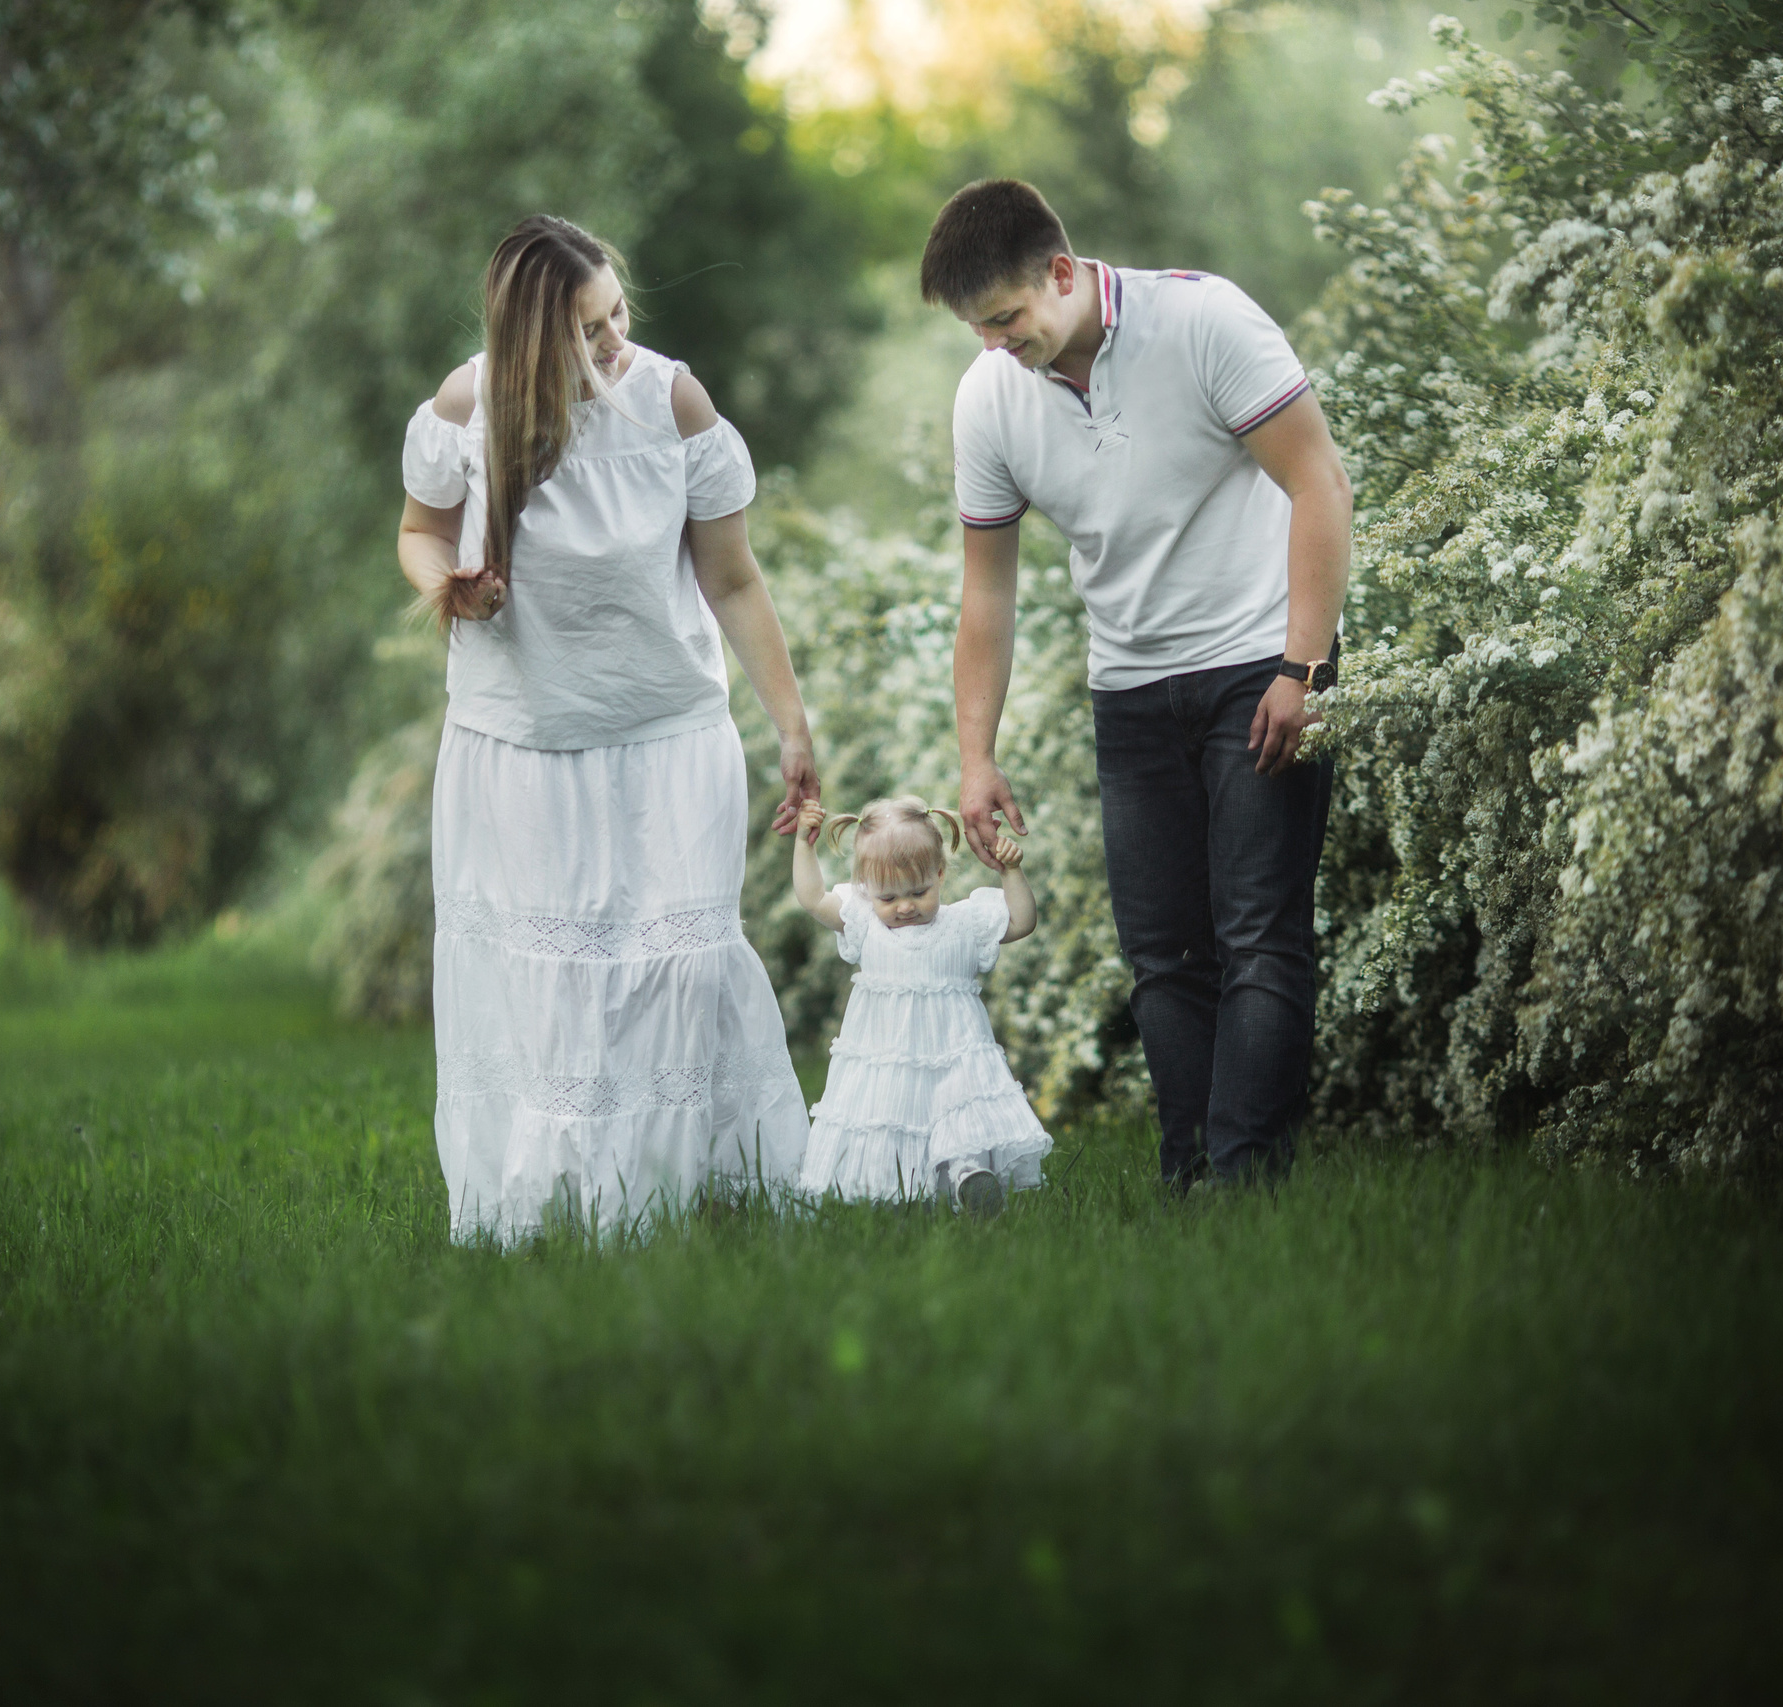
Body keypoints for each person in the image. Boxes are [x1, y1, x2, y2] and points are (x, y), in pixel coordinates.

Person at [922, 179, 1353, 1193]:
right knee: (1163, 955)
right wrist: (975, 759)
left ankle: (1246, 1186)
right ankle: (1186, 1181)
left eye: (1007, 318)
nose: (995, 345)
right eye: (977, 329)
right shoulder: (989, 395)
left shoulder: (1204, 320)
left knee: (1259, 933)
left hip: (1261, 661)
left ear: (1061, 273)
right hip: (1129, 686)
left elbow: (1319, 484)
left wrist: (1304, 667)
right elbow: (987, 592)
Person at [397, 214, 819, 1242]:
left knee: (680, 968)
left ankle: (685, 1195)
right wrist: (450, 584)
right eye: (588, 332)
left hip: (667, 735)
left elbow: (732, 578)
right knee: (546, 987)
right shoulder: (465, 407)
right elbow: (417, 532)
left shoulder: (671, 402)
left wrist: (792, 728)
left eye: (616, 314)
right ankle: (560, 1204)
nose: (615, 343)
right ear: (527, 342)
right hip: (517, 748)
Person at [790, 795, 1051, 1217]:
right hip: (889, 1058)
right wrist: (804, 842)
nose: (905, 906)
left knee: (960, 1118)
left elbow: (1021, 922)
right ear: (865, 889)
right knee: (890, 1123)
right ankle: (898, 1192)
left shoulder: (964, 923)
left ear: (940, 873)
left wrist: (1012, 872)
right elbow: (812, 898)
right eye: (888, 897)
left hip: (954, 1053)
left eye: (919, 891)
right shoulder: (865, 923)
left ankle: (969, 1178)